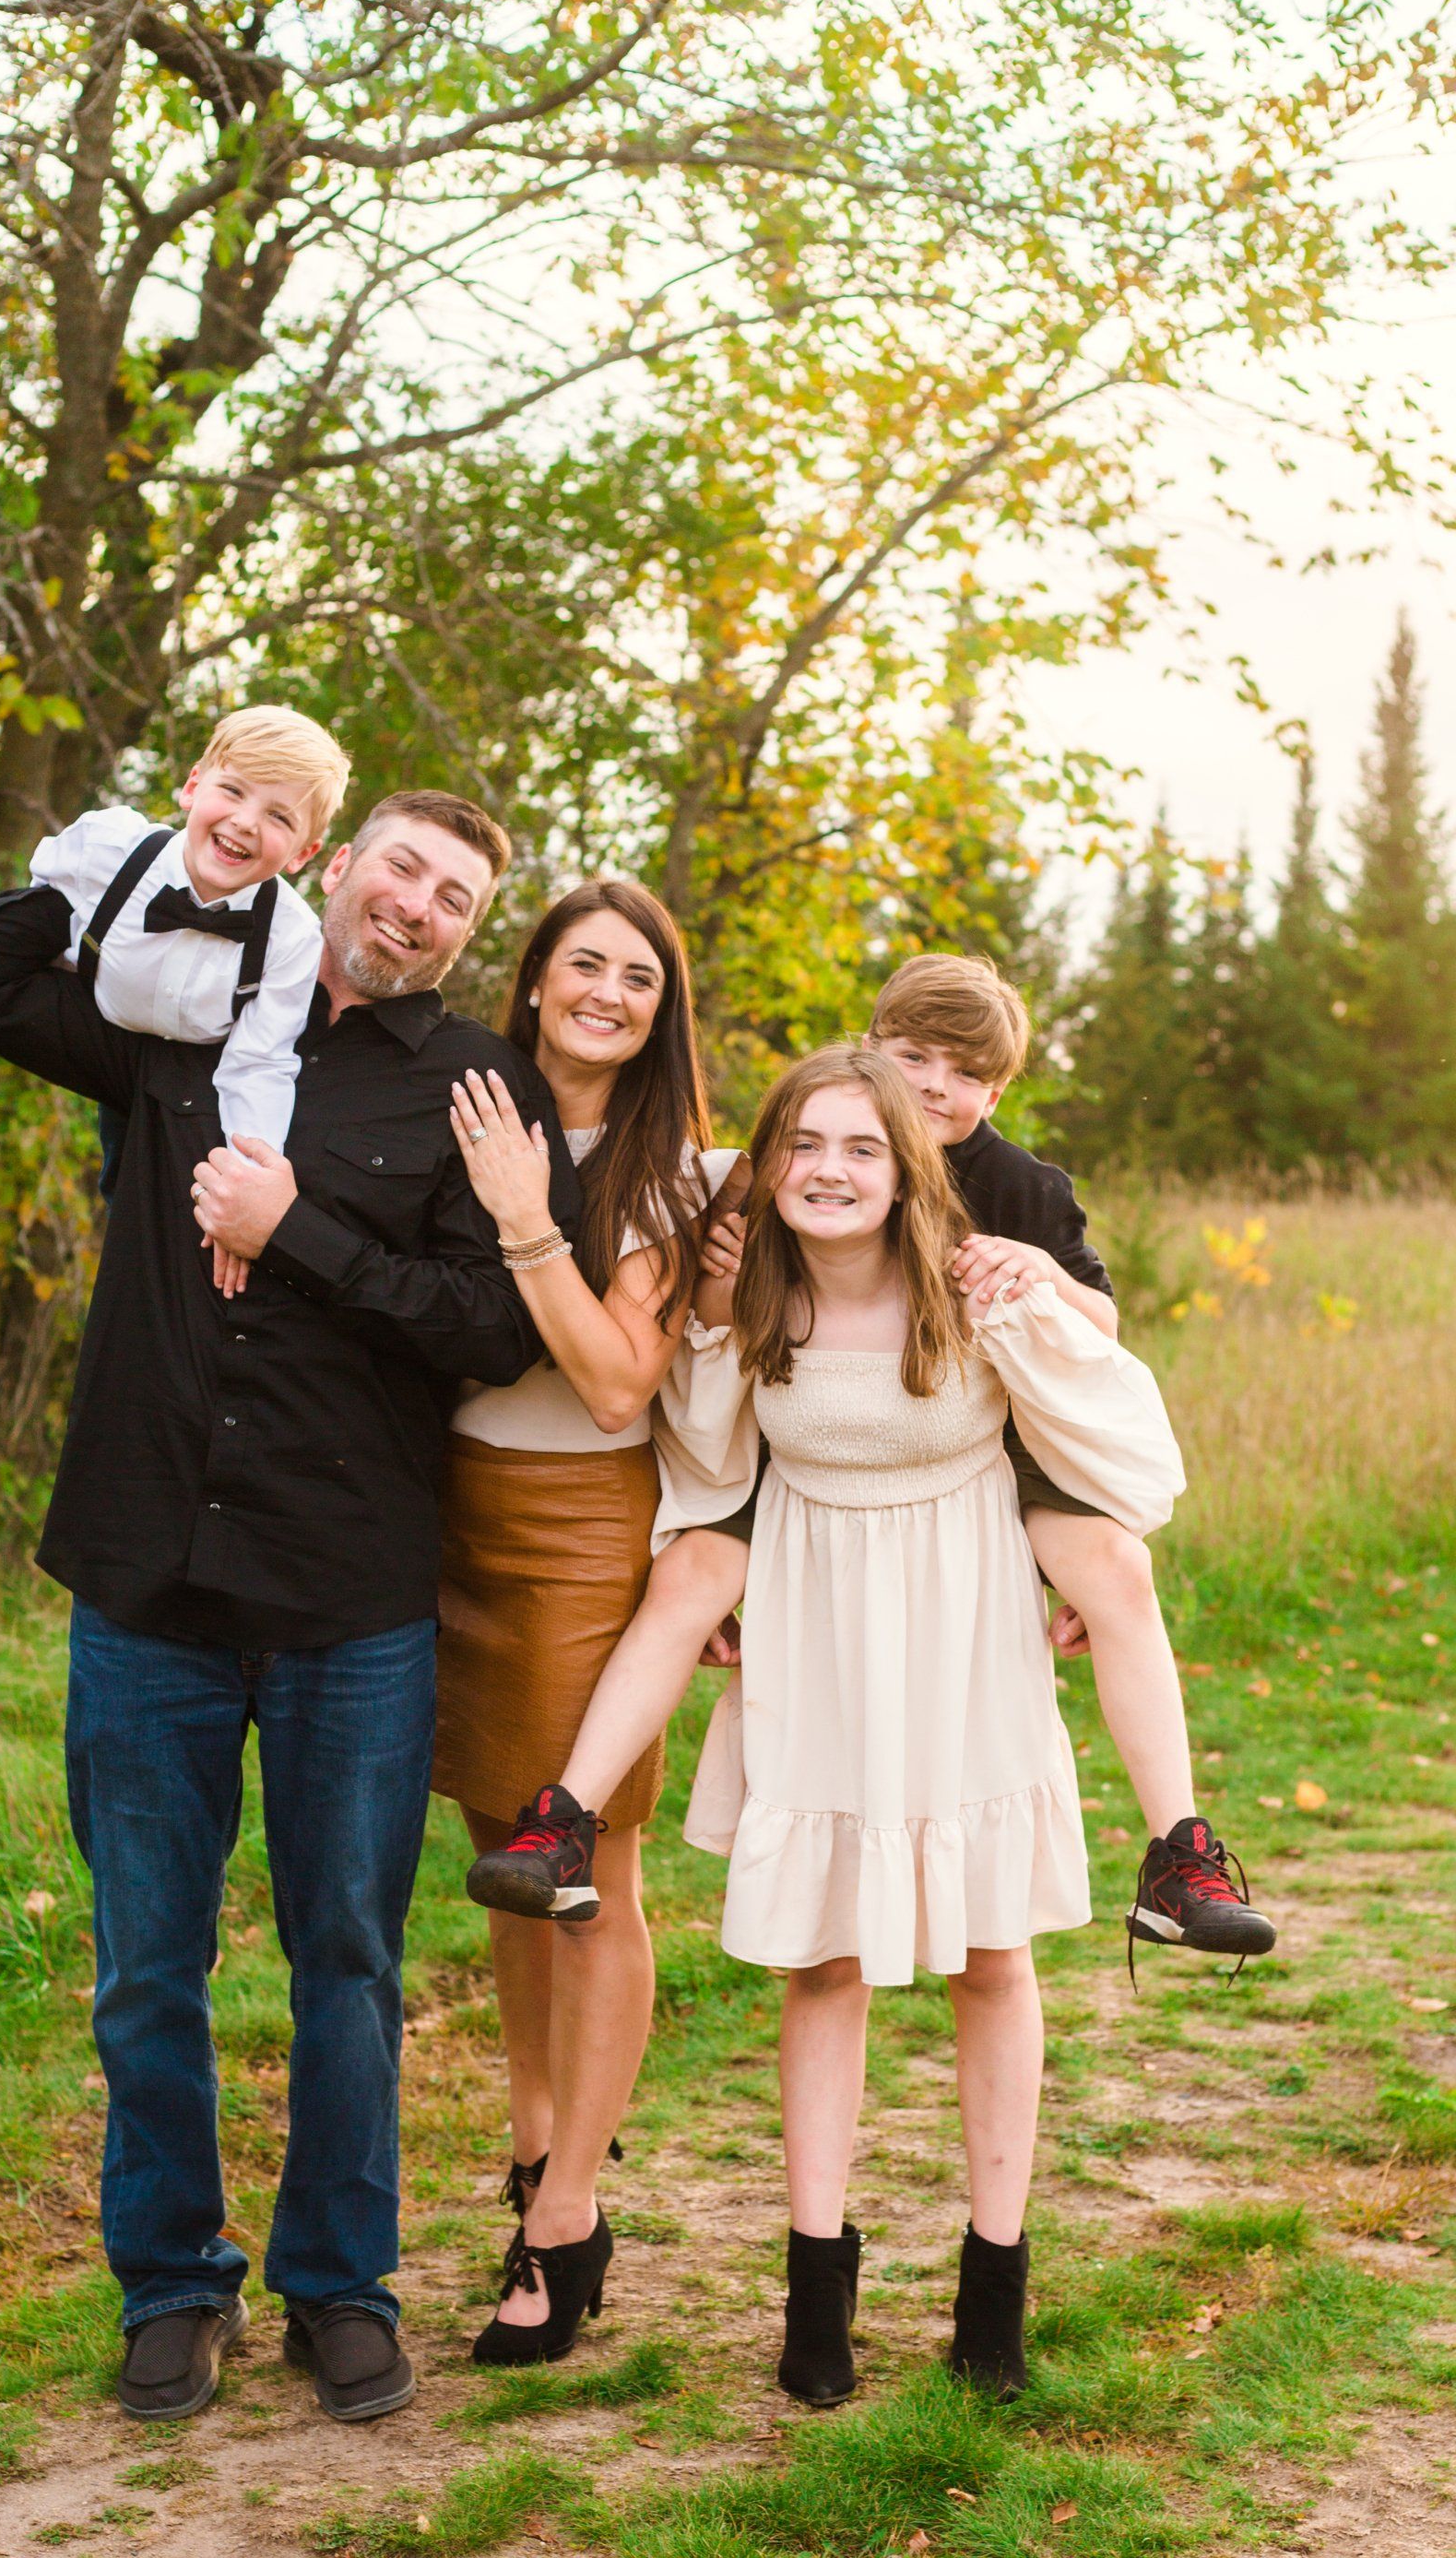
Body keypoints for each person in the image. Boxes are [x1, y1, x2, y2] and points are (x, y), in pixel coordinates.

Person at [0, 791, 579, 2430]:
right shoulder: (185, 1013)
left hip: (352, 1597)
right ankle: (171, 2284)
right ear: (337, 868)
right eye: (400, 866)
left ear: (469, 930)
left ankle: (339, 2289)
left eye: (455, 895)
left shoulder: (482, 1089)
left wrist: (299, 1239)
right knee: (147, 1961)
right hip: (148, 1579)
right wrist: (173, 851)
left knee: (344, 1957)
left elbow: (493, 1332)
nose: (416, 905)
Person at [472, 955, 1275, 1973]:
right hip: (793, 1439)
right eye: (914, 1058)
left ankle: (1178, 1851)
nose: (936, 1086)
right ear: (871, 1055)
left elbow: (1102, 1332)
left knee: (1116, 1570)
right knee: (688, 1582)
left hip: (995, 1443)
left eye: (965, 1072)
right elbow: (715, 1336)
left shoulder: (1020, 1186)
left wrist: (1038, 1274)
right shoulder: (785, 1173)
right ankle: (567, 1817)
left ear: (997, 1092)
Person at [664, 1043, 1183, 2403]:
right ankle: (816, 2288)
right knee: (821, 1962)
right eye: (806, 1147)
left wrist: (1091, 1556)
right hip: (819, 1627)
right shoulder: (751, 1291)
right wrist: (704, 1561)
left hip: (963, 1627)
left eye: (864, 1150)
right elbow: (701, 1452)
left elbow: (1119, 1431)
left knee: (991, 1955)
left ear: (908, 1171)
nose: (830, 1173)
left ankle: (993, 2281)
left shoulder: (980, 1286)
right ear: (770, 1162)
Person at [432, 882, 726, 2367]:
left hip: (579, 1524)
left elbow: (620, 1385)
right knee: (502, 1856)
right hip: (451, 1513)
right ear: (535, 978)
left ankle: (569, 2216)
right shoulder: (460, 1102)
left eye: (640, 977)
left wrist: (529, 1226)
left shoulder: (668, 1174)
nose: (609, 992)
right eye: (584, 965)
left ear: (662, 1010)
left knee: (587, 1863)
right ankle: (534, 2139)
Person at [30, 705, 349, 1282]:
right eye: (233, 791)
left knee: (168, 1218)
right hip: (101, 1030)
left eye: (279, 816)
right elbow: (41, 891)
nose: (246, 822)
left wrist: (246, 1187)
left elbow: (259, 1064)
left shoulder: (293, 938)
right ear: (193, 786)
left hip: (197, 1071)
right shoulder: (109, 846)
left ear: (304, 854)